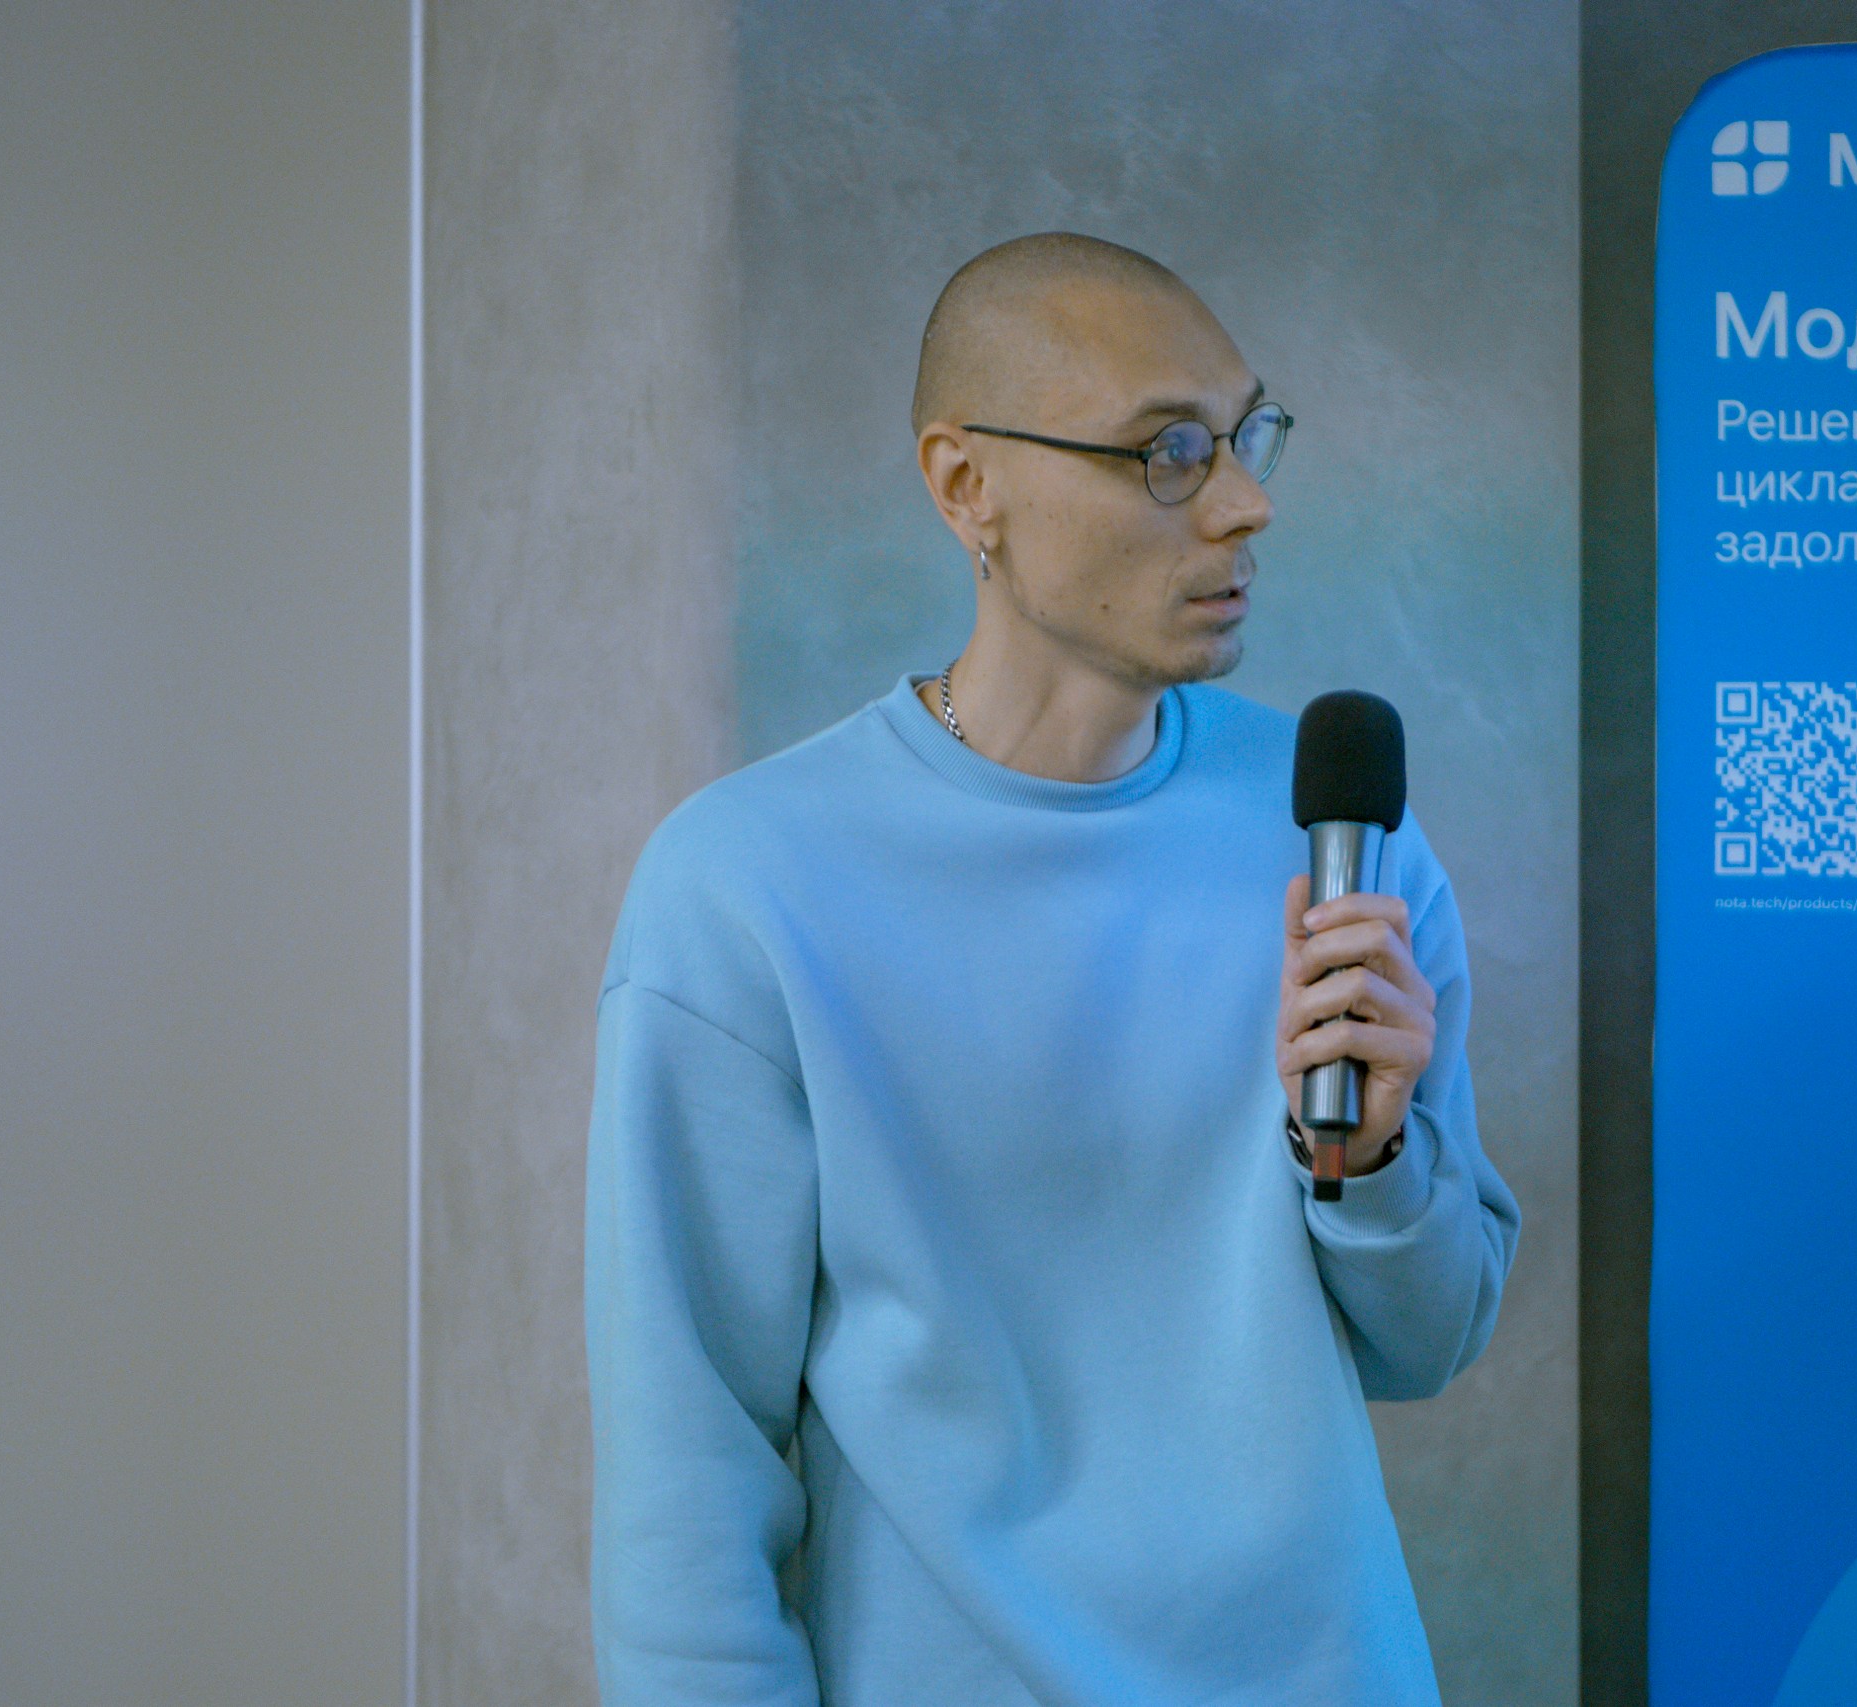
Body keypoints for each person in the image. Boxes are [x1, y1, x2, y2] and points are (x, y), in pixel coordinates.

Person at [584, 231, 1520, 1706]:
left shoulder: (1340, 834)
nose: (1247, 502)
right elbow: (685, 1484)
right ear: (968, 487)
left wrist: (1378, 1157)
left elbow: (1432, 1341)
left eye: (1248, 435)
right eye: (1170, 452)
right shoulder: (748, 886)